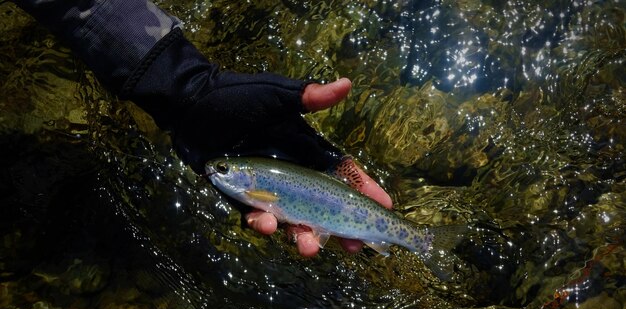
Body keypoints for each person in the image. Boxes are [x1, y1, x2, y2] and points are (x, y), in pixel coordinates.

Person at [12, 0, 391, 257]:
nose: (214, 169)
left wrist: (189, 90)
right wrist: (186, 91)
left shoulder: (253, 183)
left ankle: (401, 236)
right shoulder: (251, 181)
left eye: (223, 169)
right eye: (221, 168)